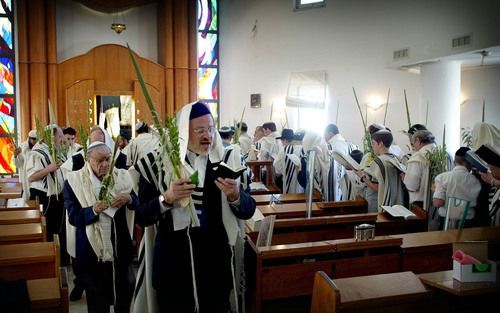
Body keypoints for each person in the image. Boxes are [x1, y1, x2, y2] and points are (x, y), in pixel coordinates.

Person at [134, 101, 256, 312]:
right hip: (173, 267)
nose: (207, 136)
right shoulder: (158, 165)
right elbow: (141, 217)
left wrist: (236, 196)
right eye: (199, 130)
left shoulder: (228, 161)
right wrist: (167, 199)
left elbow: (249, 210)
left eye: (210, 129)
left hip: (215, 266)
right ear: (183, 132)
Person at [64, 141, 138, 313]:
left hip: (121, 248)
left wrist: (129, 199)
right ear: (88, 160)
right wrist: (93, 210)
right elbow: (74, 217)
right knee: (97, 303)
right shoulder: (73, 181)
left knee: (124, 298)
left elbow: (137, 204)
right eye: (100, 160)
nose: (105, 164)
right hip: (92, 254)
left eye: (108, 159)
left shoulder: (122, 176)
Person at [26, 124, 66, 241]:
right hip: (43, 197)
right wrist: (50, 168)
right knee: (46, 232)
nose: (62, 139)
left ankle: (57, 255)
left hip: (56, 197)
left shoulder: (53, 150)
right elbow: (31, 177)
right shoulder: (36, 153)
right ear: (51, 137)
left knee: (56, 231)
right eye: (59, 136)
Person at [432, 147, 481, 229]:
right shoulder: (476, 181)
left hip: (447, 222)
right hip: (469, 223)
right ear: (471, 163)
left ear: (454, 162)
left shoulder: (442, 177)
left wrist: (435, 191)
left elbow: (438, 203)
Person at [402, 130, 437, 214]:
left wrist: (404, 178)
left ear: (418, 140)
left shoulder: (418, 157)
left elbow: (412, 186)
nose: (413, 147)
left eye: (413, 144)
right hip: (439, 204)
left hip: (421, 206)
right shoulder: (445, 154)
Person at [324, 123, 358, 201]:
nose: (324, 137)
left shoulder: (327, 148)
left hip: (332, 189)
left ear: (330, 134)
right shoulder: (354, 146)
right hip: (352, 188)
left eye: (325, 134)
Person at [273, 128, 303, 194]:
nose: (282, 143)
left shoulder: (285, 149)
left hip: (288, 182)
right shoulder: (303, 148)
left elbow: (276, 164)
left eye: (282, 141)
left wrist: (281, 172)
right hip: (302, 182)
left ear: (285, 140)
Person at [13, 129, 37, 200]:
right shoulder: (22, 147)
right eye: (33, 139)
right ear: (29, 138)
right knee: (27, 197)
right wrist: (15, 156)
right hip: (26, 175)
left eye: (36, 139)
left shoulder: (39, 146)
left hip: (36, 176)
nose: (35, 141)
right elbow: (19, 164)